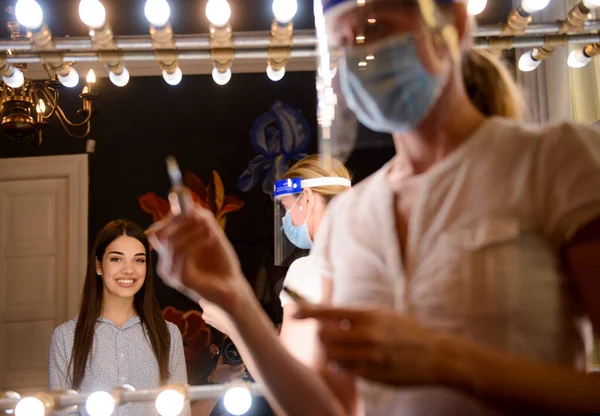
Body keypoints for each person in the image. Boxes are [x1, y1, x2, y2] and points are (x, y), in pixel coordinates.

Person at [148, 0, 600, 415]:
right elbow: (329, 409)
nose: (361, 55)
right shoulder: (349, 220)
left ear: (455, 24)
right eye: (343, 41)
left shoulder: (559, 161)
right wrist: (237, 302)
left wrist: (446, 360)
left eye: (379, 27)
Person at [201, 154, 352, 367]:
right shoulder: (374, 255)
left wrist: (233, 327)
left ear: (307, 197)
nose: (285, 220)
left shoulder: (308, 269)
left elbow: (287, 372)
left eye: (287, 206)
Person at [49, 220, 191, 416]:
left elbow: (180, 410)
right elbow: (62, 413)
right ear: (98, 265)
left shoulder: (168, 334)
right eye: (117, 259)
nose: (129, 269)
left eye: (138, 260)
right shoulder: (65, 337)